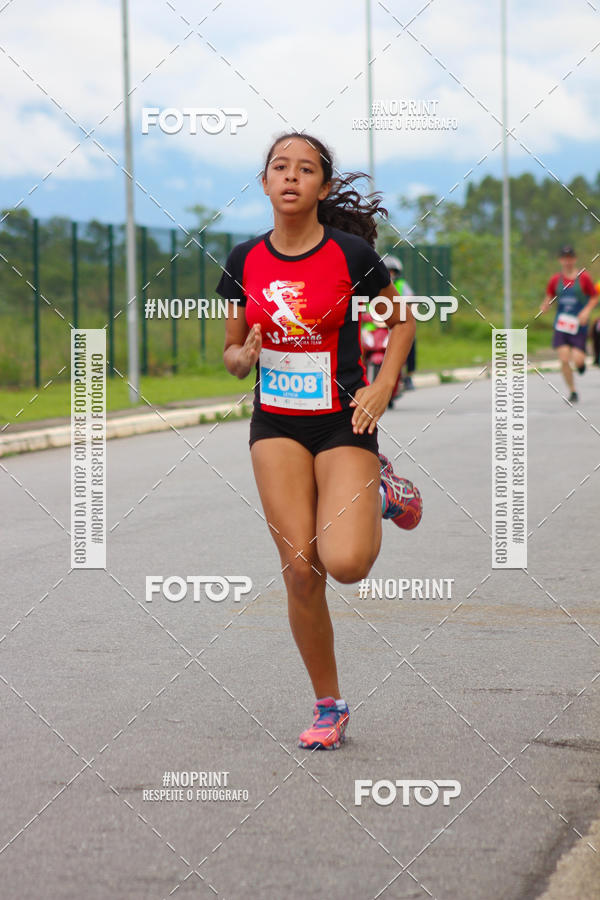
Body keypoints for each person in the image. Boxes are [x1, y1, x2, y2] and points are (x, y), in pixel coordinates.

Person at [217, 133, 422, 751]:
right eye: (280, 167)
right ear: (264, 183)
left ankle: (381, 490)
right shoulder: (243, 260)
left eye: (306, 169)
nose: (291, 177)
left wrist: (383, 386)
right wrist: (242, 357)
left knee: (347, 564)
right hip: (276, 424)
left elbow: (403, 320)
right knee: (302, 571)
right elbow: (231, 352)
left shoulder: (351, 255)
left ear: (323, 187)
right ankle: (329, 704)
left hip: (342, 421)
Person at [540, 245, 598, 402]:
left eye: (570, 258)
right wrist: (545, 305)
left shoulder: (583, 278)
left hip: (579, 325)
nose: (567, 261)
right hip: (562, 325)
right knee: (564, 359)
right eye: (565, 259)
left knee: (577, 360)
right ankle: (572, 391)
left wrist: (586, 311)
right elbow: (550, 296)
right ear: (560, 260)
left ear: (575, 259)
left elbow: (594, 297)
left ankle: (581, 365)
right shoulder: (555, 280)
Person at [384, 255, 417, 390]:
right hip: (376, 325)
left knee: (410, 341)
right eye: (387, 271)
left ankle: (408, 375)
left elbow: (411, 300)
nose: (390, 275)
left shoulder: (402, 285)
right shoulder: (374, 284)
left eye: (393, 272)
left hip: (397, 323)